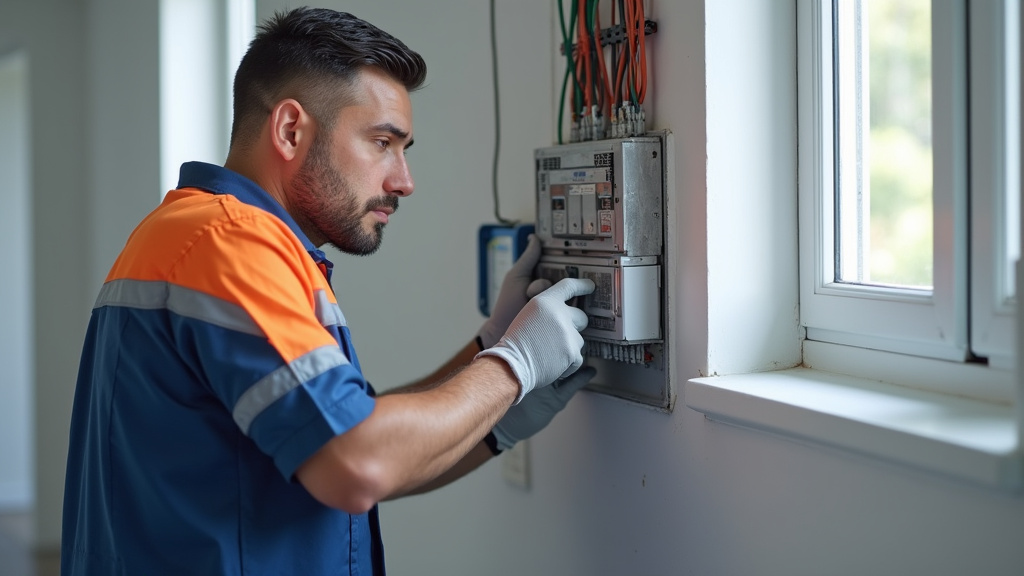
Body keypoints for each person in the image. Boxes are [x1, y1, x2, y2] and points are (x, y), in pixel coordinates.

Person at [60, 7, 596, 575]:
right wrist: (514, 366)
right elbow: (358, 462)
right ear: (291, 130)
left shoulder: (196, 235)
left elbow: (348, 452)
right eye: (383, 142)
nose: (403, 181)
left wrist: (493, 361)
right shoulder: (229, 243)